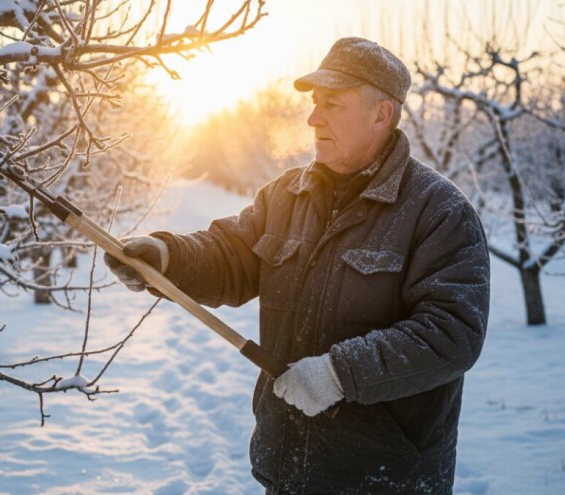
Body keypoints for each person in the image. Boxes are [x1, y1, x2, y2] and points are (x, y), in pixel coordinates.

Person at [105, 37, 490, 494]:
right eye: (313, 103)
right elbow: (230, 255)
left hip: (385, 476)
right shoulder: (286, 195)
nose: (313, 117)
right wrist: (166, 258)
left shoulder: (438, 211)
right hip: (289, 467)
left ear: (380, 115)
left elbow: (451, 333)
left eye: (332, 104)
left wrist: (338, 373)